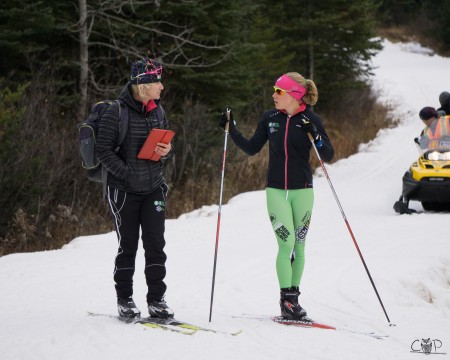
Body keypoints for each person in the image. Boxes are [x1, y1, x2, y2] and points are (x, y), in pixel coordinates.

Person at [219, 72, 334, 320]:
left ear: (294, 95)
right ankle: (286, 301)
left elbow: (327, 155)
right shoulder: (270, 118)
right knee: (286, 243)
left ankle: (293, 300)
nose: (273, 95)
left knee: (299, 246)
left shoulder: (310, 119)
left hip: (302, 190)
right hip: (275, 190)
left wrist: (314, 132)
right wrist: (233, 130)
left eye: (278, 91)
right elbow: (251, 148)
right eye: (274, 90)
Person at [96, 58, 174, 319]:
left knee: (155, 244)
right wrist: (126, 173)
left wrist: (166, 151)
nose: (161, 87)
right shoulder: (115, 112)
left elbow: (162, 150)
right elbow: (103, 151)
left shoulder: (158, 111)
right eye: (157, 82)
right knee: (127, 245)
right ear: (144, 85)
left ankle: (157, 300)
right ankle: (125, 299)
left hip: (153, 187)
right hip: (123, 190)